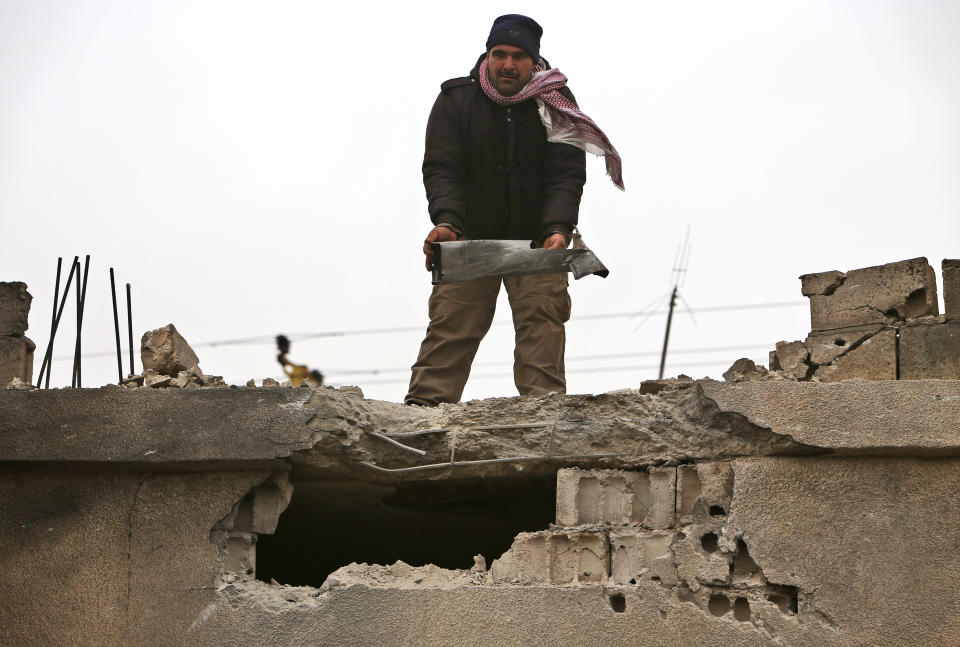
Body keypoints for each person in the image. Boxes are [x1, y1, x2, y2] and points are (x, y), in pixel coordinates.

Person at [404, 14, 622, 407]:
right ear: (487, 55)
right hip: (469, 237)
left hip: (539, 241)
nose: (507, 64)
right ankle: (421, 423)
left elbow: (566, 173)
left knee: (542, 326)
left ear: (534, 61)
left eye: (519, 56)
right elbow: (442, 168)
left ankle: (545, 419)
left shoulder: (556, 103)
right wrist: (447, 222)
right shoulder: (456, 100)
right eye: (499, 53)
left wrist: (558, 227)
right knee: (451, 329)